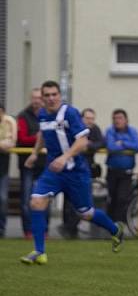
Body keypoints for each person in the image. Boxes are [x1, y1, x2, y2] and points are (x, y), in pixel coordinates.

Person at [20, 81, 123, 264]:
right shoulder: (43, 114)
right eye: (47, 95)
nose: (51, 98)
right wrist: (35, 154)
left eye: (54, 94)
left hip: (76, 172)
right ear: (42, 98)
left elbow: (83, 141)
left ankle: (115, 230)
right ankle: (39, 251)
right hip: (54, 171)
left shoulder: (70, 113)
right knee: (36, 201)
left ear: (60, 95)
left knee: (86, 213)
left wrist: (64, 157)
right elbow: (42, 135)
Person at [59, 107, 105, 239]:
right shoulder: (73, 126)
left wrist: (88, 146)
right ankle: (68, 227)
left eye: (92, 119)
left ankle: (71, 228)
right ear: (81, 118)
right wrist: (81, 146)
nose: (90, 121)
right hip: (70, 168)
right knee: (68, 200)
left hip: (86, 169)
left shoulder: (95, 129)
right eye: (87, 118)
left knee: (81, 200)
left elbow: (101, 142)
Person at [17, 87, 46, 238]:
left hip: (44, 163)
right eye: (34, 98)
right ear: (31, 99)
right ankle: (28, 230)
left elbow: (50, 136)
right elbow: (22, 138)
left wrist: (38, 137)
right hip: (27, 163)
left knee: (44, 198)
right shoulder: (23, 116)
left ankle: (43, 230)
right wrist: (39, 137)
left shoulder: (47, 115)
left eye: (39, 98)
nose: (37, 101)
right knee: (26, 198)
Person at [105, 109, 138, 223]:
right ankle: (110, 225)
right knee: (112, 198)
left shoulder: (132, 131)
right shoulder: (110, 131)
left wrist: (122, 142)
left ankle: (119, 222)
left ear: (126, 120)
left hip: (127, 172)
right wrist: (127, 145)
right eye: (114, 118)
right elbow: (111, 147)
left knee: (122, 197)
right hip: (112, 170)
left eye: (120, 118)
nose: (117, 121)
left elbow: (137, 146)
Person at [0, 104, 17, 237]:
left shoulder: (9, 121)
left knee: (3, 198)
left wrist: (6, 144)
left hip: (3, 168)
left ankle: (1, 228)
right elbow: (5, 144)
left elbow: (11, 143)